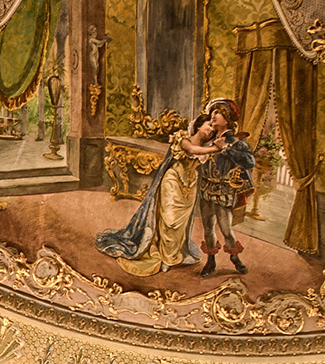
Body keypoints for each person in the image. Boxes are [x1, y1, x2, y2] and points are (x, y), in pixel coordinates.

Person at [94, 103, 229, 277]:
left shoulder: (207, 148)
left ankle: (170, 258)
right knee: (169, 220)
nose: (211, 130)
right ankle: (160, 254)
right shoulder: (183, 138)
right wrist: (217, 148)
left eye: (213, 127)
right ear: (198, 125)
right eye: (209, 125)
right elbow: (191, 150)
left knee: (180, 225)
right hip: (172, 181)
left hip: (189, 187)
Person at [194, 100, 253, 276]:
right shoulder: (207, 139)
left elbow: (250, 162)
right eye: (212, 112)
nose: (213, 115)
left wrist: (226, 148)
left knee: (226, 229)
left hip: (224, 190)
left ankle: (235, 258)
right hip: (206, 187)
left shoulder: (235, 142)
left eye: (217, 113)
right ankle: (211, 262)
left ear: (226, 119)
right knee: (208, 227)